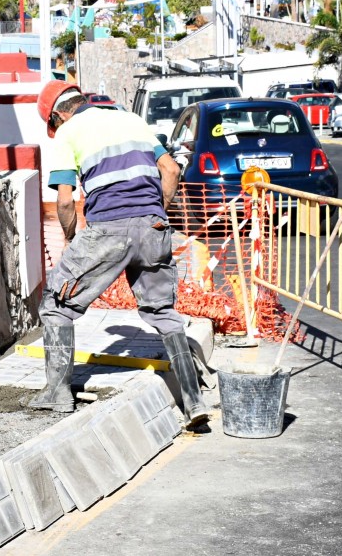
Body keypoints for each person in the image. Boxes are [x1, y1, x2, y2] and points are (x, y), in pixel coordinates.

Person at [25, 80, 209, 429]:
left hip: (108, 228)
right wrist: (156, 215)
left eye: (53, 124)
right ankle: (193, 401)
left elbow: (65, 201)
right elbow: (170, 170)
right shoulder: (131, 119)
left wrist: (70, 239)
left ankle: (58, 394)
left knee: (56, 305)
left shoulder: (68, 133)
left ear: (58, 115)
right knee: (163, 313)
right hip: (153, 225)